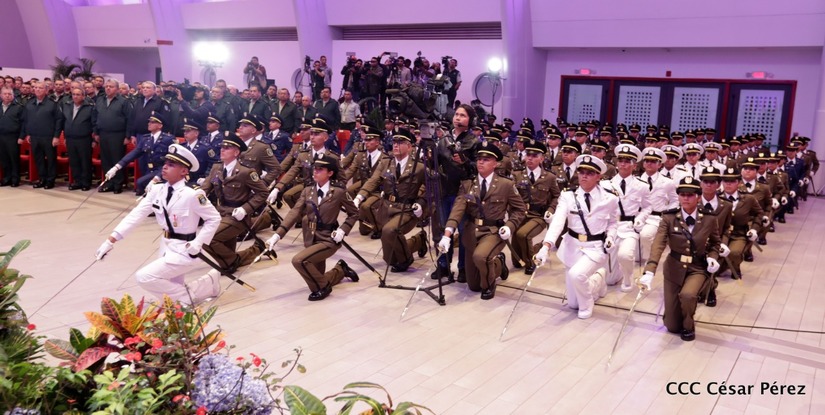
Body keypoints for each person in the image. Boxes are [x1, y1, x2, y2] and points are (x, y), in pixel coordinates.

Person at [95, 144, 222, 305]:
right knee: (172, 287)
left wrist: (198, 242)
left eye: (171, 165)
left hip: (186, 249)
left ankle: (188, 296)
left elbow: (214, 218)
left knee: (144, 277)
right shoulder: (157, 190)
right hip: (166, 246)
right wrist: (110, 240)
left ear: (184, 171)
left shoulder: (193, 194)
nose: (165, 167)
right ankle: (209, 283)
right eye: (165, 163)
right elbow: (136, 215)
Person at [438, 141, 526, 299]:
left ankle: (489, 285)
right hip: (471, 232)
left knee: (480, 257)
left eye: (486, 159)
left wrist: (510, 226)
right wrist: (447, 234)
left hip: (493, 232)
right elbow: (458, 209)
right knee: (473, 285)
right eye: (479, 159)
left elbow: (520, 209)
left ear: (495, 164)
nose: (481, 162)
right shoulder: (468, 184)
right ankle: (498, 264)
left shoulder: (506, 184)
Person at [265, 154, 360, 301]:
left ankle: (323, 288)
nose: (315, 171)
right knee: (317, 275)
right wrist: (277, 236)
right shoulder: (307, 190)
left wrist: (343, 230)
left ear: (330, 173)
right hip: (310, 237)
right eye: (315, 168)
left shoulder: (339, 192)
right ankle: (340, 270)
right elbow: (294, 213)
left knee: (300, 260)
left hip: (328, 239)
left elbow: (354, 213)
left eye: (320, 169)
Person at [638, 176, 722, 341]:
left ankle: (689, 325)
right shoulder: (669, 217)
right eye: (682, 194)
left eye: (690, 195)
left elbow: (715, 243)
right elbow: (658, 244)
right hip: (674, 268)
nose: (685, 198)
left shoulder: (709, 218)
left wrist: (713, 257)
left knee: (688, 295)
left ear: (698, 197)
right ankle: (677, 316)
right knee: (672, 326)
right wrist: (649, 270)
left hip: (697, 268)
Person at [535, 155, 617, 318]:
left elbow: (613, 223)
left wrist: (610, 237)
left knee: (577, 275)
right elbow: (558, 222)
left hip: (595, 248)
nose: (584, 176)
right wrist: (546, 246)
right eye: (581, 172)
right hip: (572, 247)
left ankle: (587, 304)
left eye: (590, 173)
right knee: (572, 303)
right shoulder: (568, 196)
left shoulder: (610, 198)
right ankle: (598, 278)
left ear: (598, 176)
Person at [355, 128, 428, 273]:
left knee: (390, 231)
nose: (395, 145)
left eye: (400, 142)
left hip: (406, 209)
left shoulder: (418, 166)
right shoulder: (386, 163)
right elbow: (374, 180)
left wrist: (421, 203)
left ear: (409, 146)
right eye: (394, 142)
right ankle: (418, 241)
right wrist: (360, 196)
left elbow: (431, 188)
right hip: (386, 208)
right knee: (390, 259)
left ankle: (406, 260)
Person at [198, 132, 270, 272]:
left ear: (236, 152)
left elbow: (263, 193)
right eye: (222, 147)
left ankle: (235, 261)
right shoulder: (216, 168)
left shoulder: (245, 172)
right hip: (219, 213)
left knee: (207, 239)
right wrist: (193, 199)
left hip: (237, 216)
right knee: (225, 255)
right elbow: (204, 189)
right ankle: (254, 251)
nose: (222, 150)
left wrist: (245, 208)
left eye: (227, 148)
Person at [602, 145, 651, 291]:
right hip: (611, 228)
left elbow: (647, 207)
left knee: (625, 255)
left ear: (634, 166)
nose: (623, 164)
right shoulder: (606, 184)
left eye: (627, 161)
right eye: (620, 160)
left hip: (629, 227)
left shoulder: (642, 186)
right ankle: (616, 273)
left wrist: (640, 218)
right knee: (610, 280)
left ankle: (628, 278)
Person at [510, 139, 560, 274]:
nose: (530, 158)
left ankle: (530, 262)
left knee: (523, 234)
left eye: (534, 156)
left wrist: (550, 210)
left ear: (542, 158)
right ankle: (536, 249)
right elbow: (510, 196)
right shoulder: (517, 174)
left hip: (538, 215)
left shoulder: (549, 177)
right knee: (516, 262)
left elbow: (557, 196)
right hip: (520, 215)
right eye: (528, 155)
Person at [106, 111, 175, 195]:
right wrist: (117, 167)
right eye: (149, 122)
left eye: (152, 122)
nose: (149, 124)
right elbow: (134, 153)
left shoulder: (168, 139)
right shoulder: (146, 138)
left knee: (141, 183)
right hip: (149, 170)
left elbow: (172, 161)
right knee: (141, 185)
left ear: (160, 126)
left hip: (162, 170)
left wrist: (157, 177)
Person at [698, 166, 732, 307]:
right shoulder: (693, 202)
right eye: (705, 181)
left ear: (718, 184)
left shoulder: (726, 205)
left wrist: (723, 242)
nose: (709, 185)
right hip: (696, 243)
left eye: (712, 182)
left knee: (711, 264)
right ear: (701, 183)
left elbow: (727, 228)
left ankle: (710, 288)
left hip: (715, 244)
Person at [23, 81, 63, 189]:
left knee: (51, 159)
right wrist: (28, 133)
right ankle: (42, 179)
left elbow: (59, 120)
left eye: (40, 88)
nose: (37, 89)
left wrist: (56, 136)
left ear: (46, 90)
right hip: (34, 136)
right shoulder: (30, 103)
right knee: (38, 159)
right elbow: (26, 120)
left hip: (48, 137)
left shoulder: (52, 104)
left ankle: (50, 180)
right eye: (36, 87)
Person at [95, 79, 133, 194]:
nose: (108, 88)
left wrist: (127, 136)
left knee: (116, 159)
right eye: (106, 86)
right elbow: (95, 116)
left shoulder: (123, 101)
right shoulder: (100, 100)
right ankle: (109, 183)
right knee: (106, 160)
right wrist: (96, 132)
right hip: (103, 133)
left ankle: (118, 183)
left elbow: (130, 119)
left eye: (111, 86)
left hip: (118, 134)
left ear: (117, 89)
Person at [62, 87, 96, 190]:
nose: (75, 96)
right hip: (70, 138)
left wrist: (94, 139)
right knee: (74, 161)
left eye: (78, 94)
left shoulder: (89, 107)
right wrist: (65, 137)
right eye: (74, 94)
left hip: (84, 139)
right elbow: (64, 122)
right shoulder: (67, 106)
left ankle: (86, 182)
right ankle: (77, 181)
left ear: (83, 96)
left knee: (85, 162)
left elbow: (94, 124)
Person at [0, 87, 25, 187]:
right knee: (4, 159)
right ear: (1, 95)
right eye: (5, 94)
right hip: (1, 136)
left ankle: (15, 179)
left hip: (13, 137)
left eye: (9, 94)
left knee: (14, 159)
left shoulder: (19, 107)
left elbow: (24, 123)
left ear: (13, 95)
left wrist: (21, 137)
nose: (7, 96)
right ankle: (7, 178)